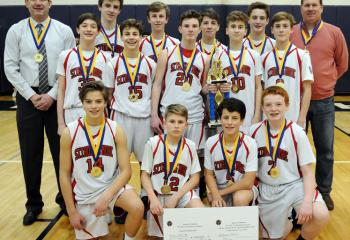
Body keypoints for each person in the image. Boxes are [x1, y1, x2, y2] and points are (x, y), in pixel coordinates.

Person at [4, 0, 75, 225]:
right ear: (26, 3)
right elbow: (10, 66)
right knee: (30, 154)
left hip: (57, 96)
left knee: (61, 154)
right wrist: (31, 95)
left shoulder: (64, 31)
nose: (38, 2)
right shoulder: (15, 30)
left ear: (50, 3)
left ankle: (65, 200)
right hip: (28, 99)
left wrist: (53, 95)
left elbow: (69, 66)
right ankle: (33, 205)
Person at [60, 81, 143, 240]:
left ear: (106, 102)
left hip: (110, 188)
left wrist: (106, 197)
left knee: (137, 207)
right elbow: (64, 174)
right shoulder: (69, 132)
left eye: (98, 101)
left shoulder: (116, 129)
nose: (94, 106)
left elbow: (126, 171)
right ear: (82, 103)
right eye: (89, 101)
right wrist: (71, 212)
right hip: (85, 194)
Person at [290, 0, 349, 210]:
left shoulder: (335, 32)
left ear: (322, 8)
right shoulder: (291, 31)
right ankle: (296, 192)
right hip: (296, 102)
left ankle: (324, 192)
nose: (311, 8)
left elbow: (343, 63)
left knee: (325, 150)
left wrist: (329, 80)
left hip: (324, 101)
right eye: (307, 5)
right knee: (294, 150)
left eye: (315, 4)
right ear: (301, 8)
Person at [250, 86, 329, 240]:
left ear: (287, 106)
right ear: (262, 108)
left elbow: (307, 171)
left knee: (320, 215)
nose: (273, 109)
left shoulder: (297, 132)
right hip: (268, 189)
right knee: (274, 237)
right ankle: (289, 222)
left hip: (294, 185)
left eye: (278, 104)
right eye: (268, 105)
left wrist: (307, 202)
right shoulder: (253, 131)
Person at [141, 104, 204, 238]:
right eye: (172, 121)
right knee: (159, 236)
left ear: (186, 125)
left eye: (180, 122)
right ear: (164, 123)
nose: (176, 126)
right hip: (158, 195)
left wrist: (176, 197)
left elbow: (195, 178)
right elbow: (144, 175)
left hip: (181, 194)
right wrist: (152, 198)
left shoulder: (190, 145)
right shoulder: (152, 143)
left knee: (200, 213)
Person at [151, 9, 209, 150]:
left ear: (200, 29)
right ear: (180, 28)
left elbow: (204, 89)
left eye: (194, 26)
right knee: (168, 156)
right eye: (187, 26)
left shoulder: (205, 58)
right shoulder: (167, 53)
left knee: (194, 156)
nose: (190, 29)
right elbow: (157, 84)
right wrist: (154, 114)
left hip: (194, 115)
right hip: (170, 114)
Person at [105, 18, 156, 163]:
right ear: (121, 37)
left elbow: (154, 90)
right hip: (121, 116)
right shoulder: (112, 64)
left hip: (144, 118)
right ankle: (121, 187)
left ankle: (145, 187)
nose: (131, 37)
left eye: (135, 34)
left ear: (141, 37)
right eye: (127, 34)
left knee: (146, 162)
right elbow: (109, 93)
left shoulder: (150, 64)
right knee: (118, 161)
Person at [211, 10, 262, 134]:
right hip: (226, 114)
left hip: (248, 114)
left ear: (245, 31)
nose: (236, 30)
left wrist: (257, 114)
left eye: (240, 27)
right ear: (227, 30)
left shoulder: (254, 55)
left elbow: (258, 87)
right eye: (233, 27)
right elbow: (214, 87)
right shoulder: (218, 56)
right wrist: (219, 87)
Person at [57, 13, 107, 135]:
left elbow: (107, 92)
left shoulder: (106, 58)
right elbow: (61, 90)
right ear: (78, 29)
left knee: (96, 151)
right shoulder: (65, 55)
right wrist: (61, 123)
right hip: (72, 111)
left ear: (98, 31)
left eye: (93, 26)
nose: (88, 29)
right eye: (84, 26)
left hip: (97, 111)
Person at [262, 12, 313, 127]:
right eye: (277, 26)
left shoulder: (302, 56)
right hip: (269, 117)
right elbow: (261, 89)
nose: (281, 30)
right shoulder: (264, 58)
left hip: (293, 117)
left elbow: (307, 89)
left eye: (285, 26)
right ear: (272, 30)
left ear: (291, 30)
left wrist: (302, 118)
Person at [204, 98, 258, 207]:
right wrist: (215, 194)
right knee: (211, 201)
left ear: (242, 120)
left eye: (234, 118)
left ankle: (242, 224)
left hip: (243, 189)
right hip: (219, 188)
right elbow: (208, 175)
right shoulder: (211, 142)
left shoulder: (250, 143)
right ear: (220, 119)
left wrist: (219, 194)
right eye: (225, 118)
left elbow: (248, 182)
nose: (229, 122)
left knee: (239, 197)